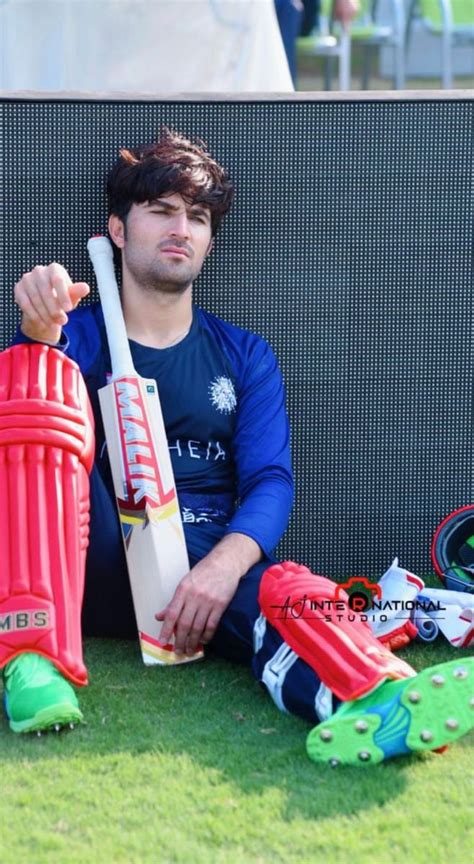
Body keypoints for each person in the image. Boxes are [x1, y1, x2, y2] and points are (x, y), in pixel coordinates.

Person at [2, 128, 472, 766]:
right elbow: (30, 461)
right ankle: (31, 657)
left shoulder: (243, 354)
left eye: (196, 218)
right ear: (117, 230)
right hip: (97, 556)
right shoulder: (74, 338)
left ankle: (372, 697)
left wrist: (223, 568)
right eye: (162, 211)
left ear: (209, 241)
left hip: (203, 568)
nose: (182, 229)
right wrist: (38, 335)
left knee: (285, 588)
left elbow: (271, 481)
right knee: (29, 380)